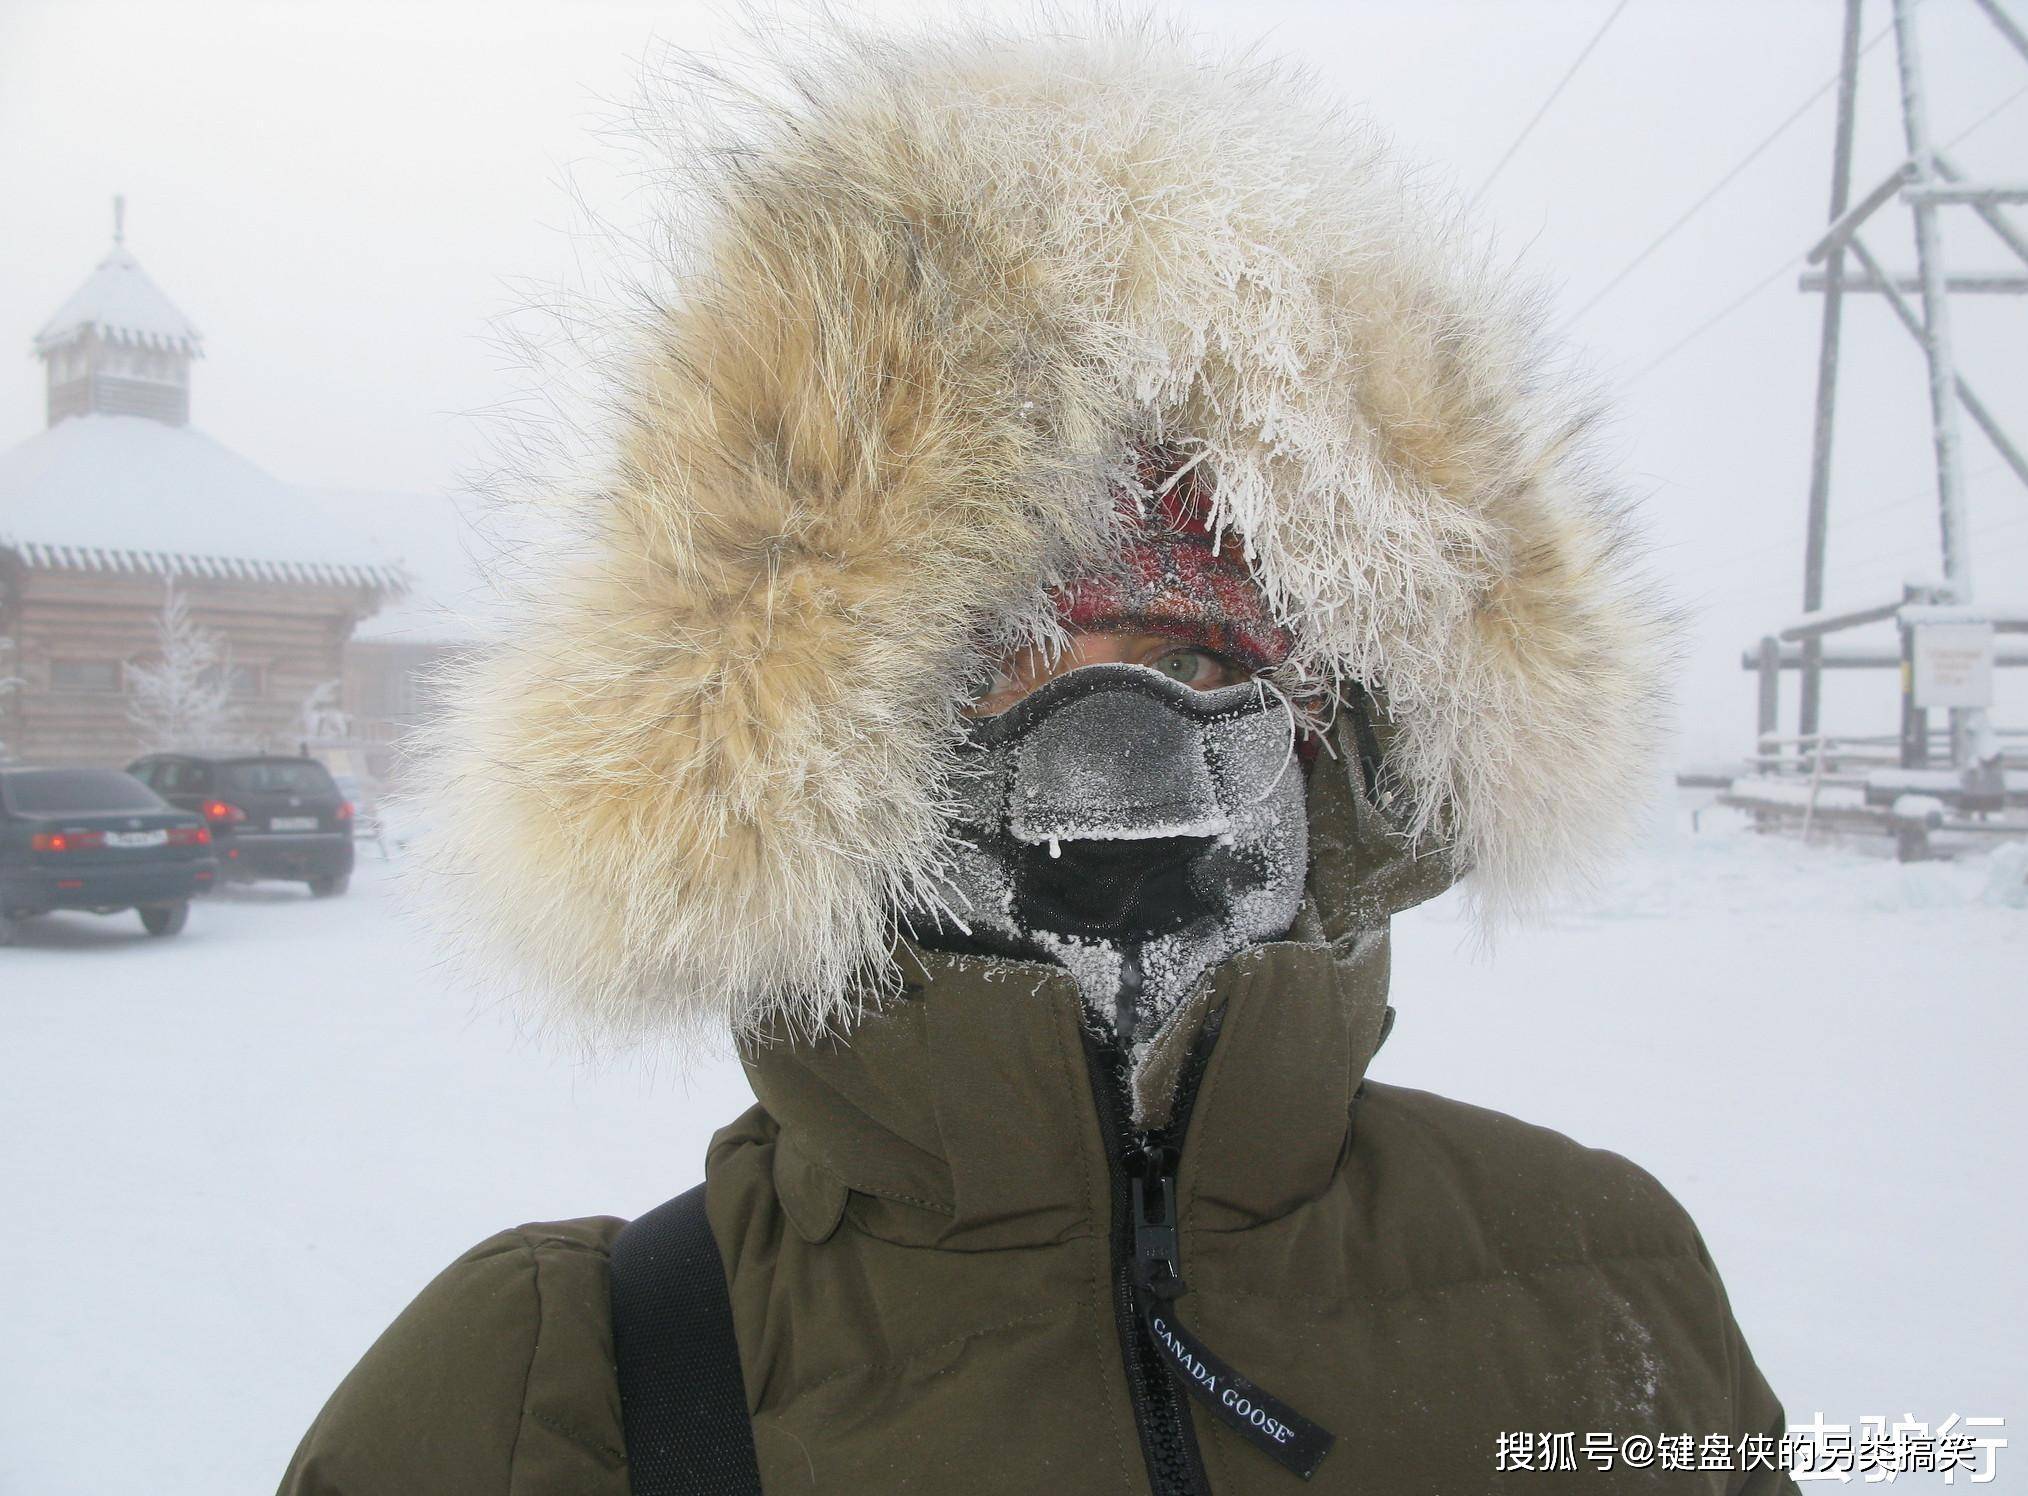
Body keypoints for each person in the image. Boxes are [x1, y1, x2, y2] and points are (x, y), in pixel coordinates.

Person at [280, 17, 1798, 1495]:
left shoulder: (1608, 1287)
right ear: (819, 761)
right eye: (997, 664)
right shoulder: (547, 1399)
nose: (1116, 756)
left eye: (1201, 661)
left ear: (1334, 737)